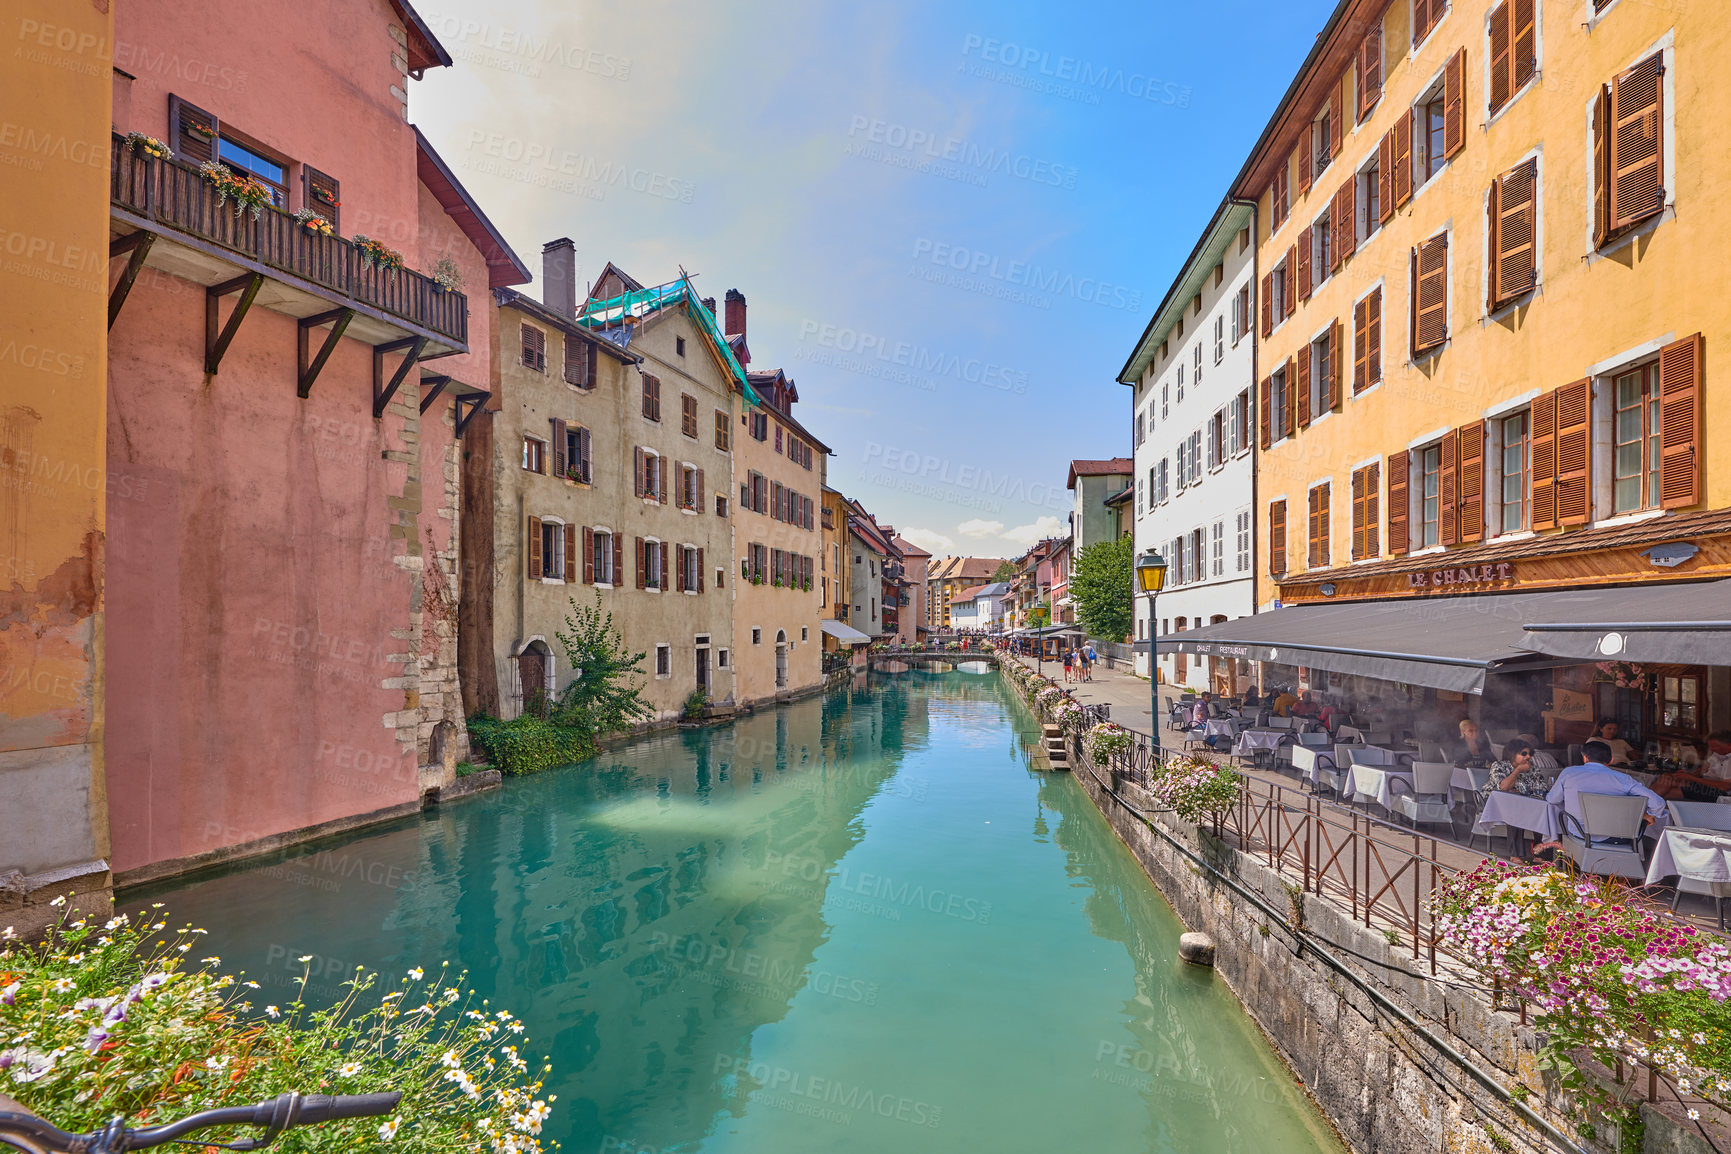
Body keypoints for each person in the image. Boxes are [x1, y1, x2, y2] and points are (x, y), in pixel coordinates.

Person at [1532, 740, 1665, 853]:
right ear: (1611, 760)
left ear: (1585, 758)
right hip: (1617, 836)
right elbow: (1658, 803)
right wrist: (1647, 815)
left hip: (1580, 834)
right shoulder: (1623, 779)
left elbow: (1552, 799)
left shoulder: (1569, 773)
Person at [1654, 730, 1731, 799]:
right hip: (1705, 784)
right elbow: (1705, 768)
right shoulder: (1718, 754)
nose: (1711, 749)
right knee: (1667, 777)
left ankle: (1643, 804)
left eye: (1715, 746)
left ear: (1728, 745)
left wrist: (1692, 778)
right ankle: (1645, 804)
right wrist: (1690, 775)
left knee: (1666, 788)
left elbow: (1726, 786)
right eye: (1710, 746)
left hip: (1719, 793)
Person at [1479, 740, 1548, 801]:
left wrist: (1522, 792)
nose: (1528, 757)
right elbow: (1503, 788)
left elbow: (1543, 788)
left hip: (1521, 803)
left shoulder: (1532, 768)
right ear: (1512, 754)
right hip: (1496, 804)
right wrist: (1518, 770)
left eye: (1530, 754)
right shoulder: (1499, 765)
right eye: (1524, 754)